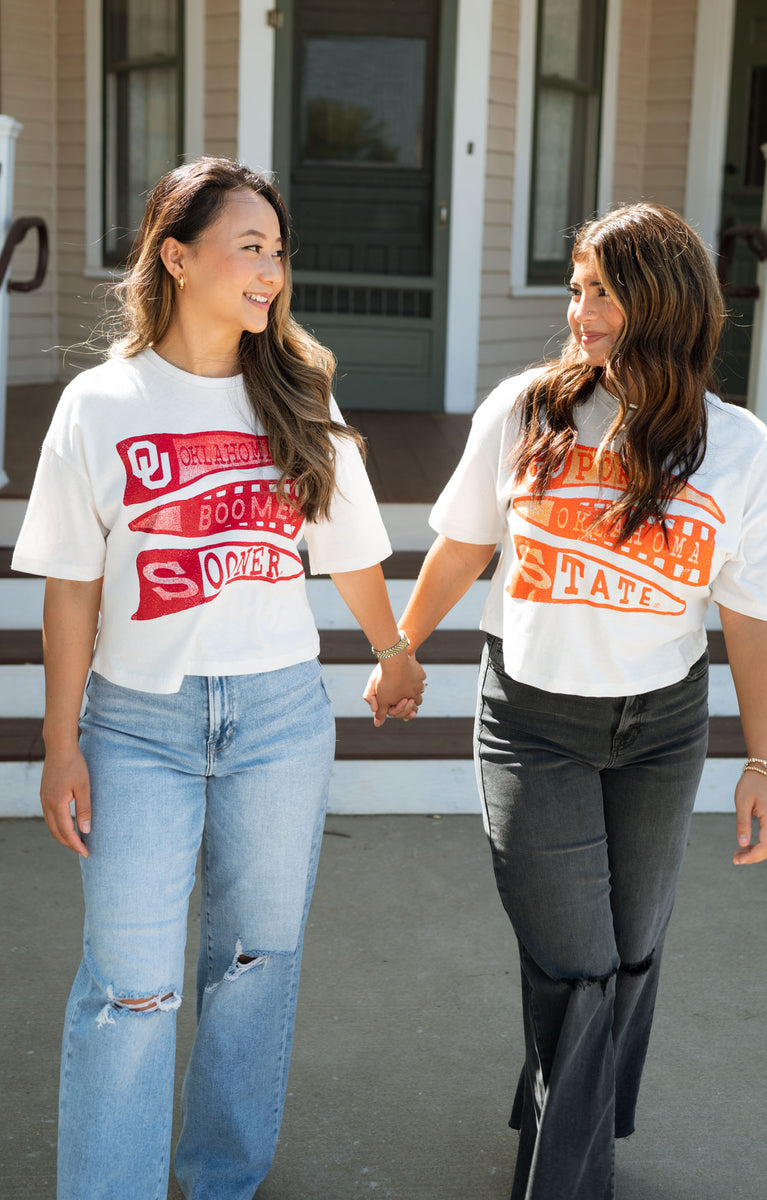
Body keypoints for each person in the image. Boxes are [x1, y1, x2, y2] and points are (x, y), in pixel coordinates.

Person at [13, 156, 424, 1200]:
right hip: (136, 725)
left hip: (279, 718)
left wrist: (391, 649)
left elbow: (349, 552)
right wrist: (60, 743)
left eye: (278, 252)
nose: (271, 272)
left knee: (253, 968)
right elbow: (70, 591)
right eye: (251, 248)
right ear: (176, 256)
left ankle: (221, 1180)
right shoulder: (100, 403)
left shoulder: (295, 393)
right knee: (132, 989)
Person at [366, 202, 767, 1199]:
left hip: (658, 726)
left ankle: (565, 1106)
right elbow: (465, 544)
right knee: (573, 963)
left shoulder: (737, 449)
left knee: (626, 952)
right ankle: (566, 1177)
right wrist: (399, 646)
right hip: (530, 722)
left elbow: (753, 620)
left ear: (660, 303)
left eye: (599, 290)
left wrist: (761, 762)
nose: (577, 311)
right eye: (574, 288)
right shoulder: (523, 412)